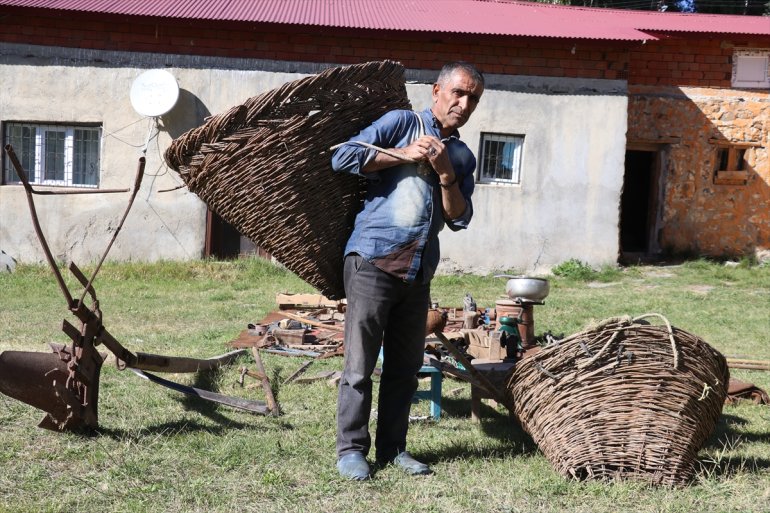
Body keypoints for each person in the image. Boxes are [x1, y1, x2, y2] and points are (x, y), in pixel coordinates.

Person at [330, 61, 484, 480]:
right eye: (458, 93)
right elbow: (343, 156)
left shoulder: (462, 156)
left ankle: (394, 448)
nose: (464, 103)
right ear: (437, 91)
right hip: (372, 260)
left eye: (473, 98)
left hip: (417, 272)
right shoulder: (402, 123)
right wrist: (403, 153)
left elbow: (459, 218)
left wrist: (446, 174)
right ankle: (352, 450)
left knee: (404, 368)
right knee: (359, 366)